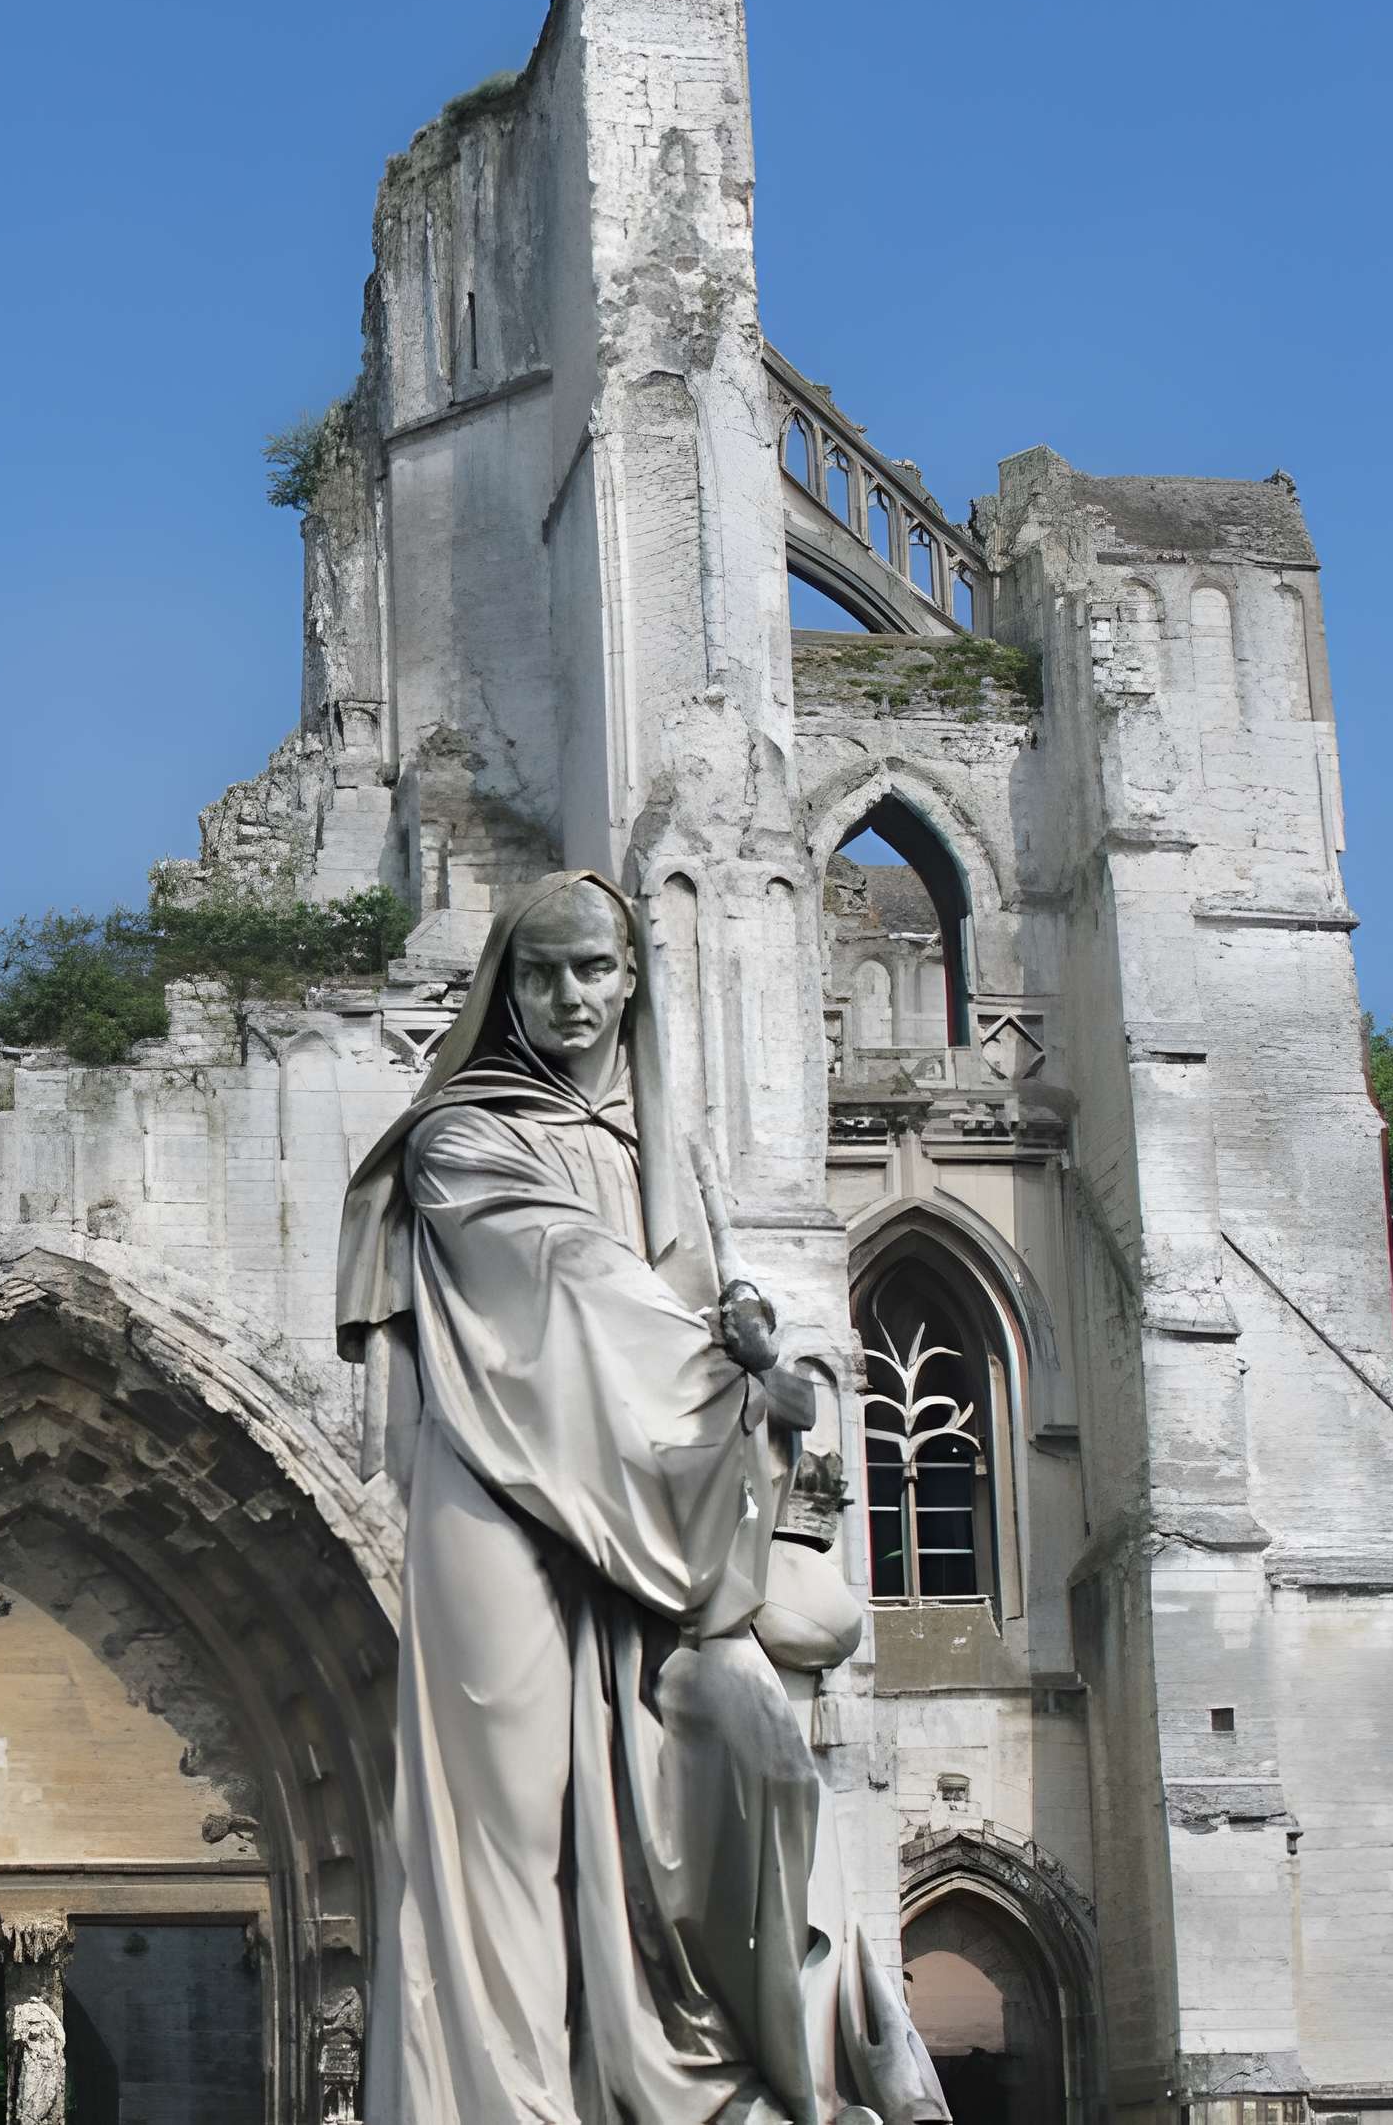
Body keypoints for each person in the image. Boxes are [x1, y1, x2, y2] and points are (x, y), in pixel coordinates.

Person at [336, 871, 944, 2125]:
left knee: (669, 1782)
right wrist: (723, 1372)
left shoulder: (669, 1150)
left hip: (658, 1494)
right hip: (500, 1489)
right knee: (498, 1824)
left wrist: (754, 1360)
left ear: (630, 979)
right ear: (508, 984)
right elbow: (567, 1291)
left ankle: (695, 2074)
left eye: (594, 969)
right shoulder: (463, 1131)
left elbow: (706, 1308)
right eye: (542, 971)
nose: (569, 997)